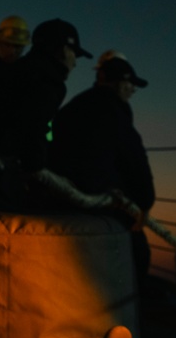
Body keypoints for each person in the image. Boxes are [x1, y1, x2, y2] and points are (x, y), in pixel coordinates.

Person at [0, 17, 90, 212]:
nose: (75, 62)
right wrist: (39, 166)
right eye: (75, 54)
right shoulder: (46, 81)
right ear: (64, 50)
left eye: (18, 47)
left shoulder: (12, 73)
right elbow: (31, 127)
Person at [44, 56, 156, 282]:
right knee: (138, 252)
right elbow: (134, 159)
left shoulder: (73, 107)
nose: (133, 89)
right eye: (130, 84)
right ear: (119, 84)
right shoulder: (116, 113)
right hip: (100, 201)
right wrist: (144, 203)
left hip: (61, 199)